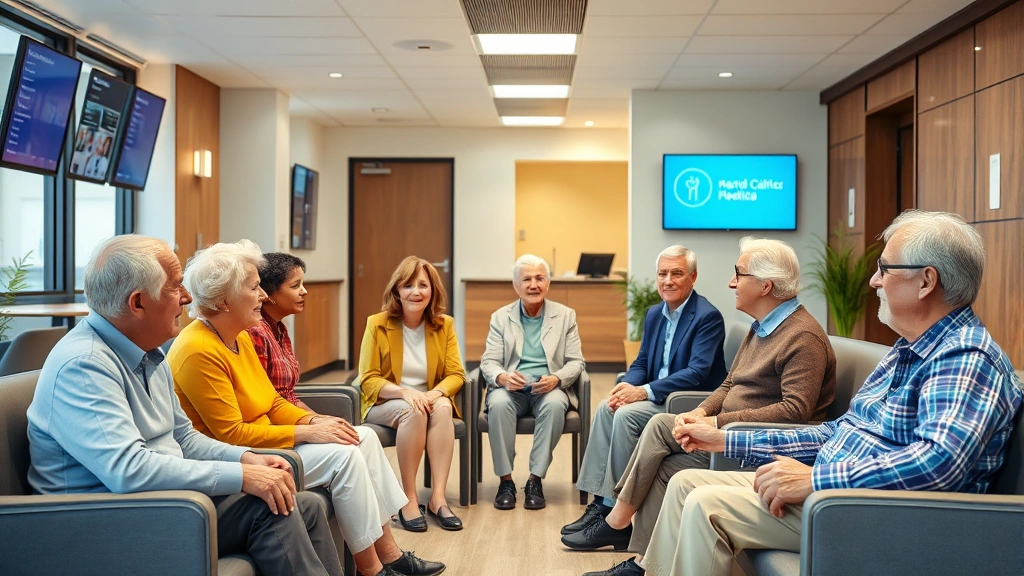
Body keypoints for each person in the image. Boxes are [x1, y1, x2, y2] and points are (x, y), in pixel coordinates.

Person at [644, 210, 1024, 576]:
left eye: (885, 269)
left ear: (926, 282)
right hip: (840, 493)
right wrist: (727, 440)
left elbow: (938, 464)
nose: (874, 281)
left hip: (875, 513)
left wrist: (815, 481)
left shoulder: (965, 358)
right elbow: (835, 431)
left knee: (704, 503)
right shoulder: (909, 349)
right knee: (685, 484)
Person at [26, 235, 343, 576]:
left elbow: (184, 438)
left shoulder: (149, 352)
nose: (188, 297)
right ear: (138, 303)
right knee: (271, 509)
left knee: (304, 504)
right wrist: (241, 477)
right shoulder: (85, 365)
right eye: (176, 287)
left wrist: (244, 458)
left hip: (162, 502)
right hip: (101, 521)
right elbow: (129, 471)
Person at [168, 241, 444, 576]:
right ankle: (372, 570)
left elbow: (271, 400)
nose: (262, 296)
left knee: (363, 437)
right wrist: (308, 431)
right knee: (344, 457)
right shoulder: (198, 349)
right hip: (242, 454)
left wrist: (314, 418)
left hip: (268, 438)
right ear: (224, 300)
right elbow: (231, 433)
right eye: (254, 288)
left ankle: (390, 553)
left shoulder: (237, 335)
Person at [564, 238, 837, 576]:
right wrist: (700, 412)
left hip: (756, 448)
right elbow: (727, 384)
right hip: (728, 435)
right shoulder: (761, 328)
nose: (731, 282)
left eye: (739, 273)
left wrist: (719, 424)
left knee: (658, 436)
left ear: (766, 285)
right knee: (663, 438)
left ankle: (619, 525)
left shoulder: (802, 337)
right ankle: (643, 559)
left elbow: (794, 412)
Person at [566, 246, 728, 533]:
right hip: (659, 396)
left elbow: (697, 373)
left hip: (686, 401)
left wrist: (645, 391)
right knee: (607, 408)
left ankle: (617, 516)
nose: (668, 280)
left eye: (676, 273)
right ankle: (601, 503)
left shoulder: (707, 317)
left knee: (627, 416)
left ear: (693, 277)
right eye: (662, 273)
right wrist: (627, 385)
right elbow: (642, 362)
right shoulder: (655, 314)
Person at [359, 256, 467, 531]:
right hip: (387, 401)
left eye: (423, 285)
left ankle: (438, 499)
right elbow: (368, 379)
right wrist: (404, 392)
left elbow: (456, 373)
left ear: (432, 291)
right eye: (408, 285)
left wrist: (435, 394)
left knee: (442, 407)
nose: (416, 292)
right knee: (413, 409)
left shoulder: (445, 325)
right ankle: (409, 498)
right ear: (397, 290)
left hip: (429, 399)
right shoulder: (377, 324)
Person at [480, 254, 586, 510]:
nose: (533, 285)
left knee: (554, 405)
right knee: (499, 403)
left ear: (548, 283)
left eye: (540, 278)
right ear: (516, 285)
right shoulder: (500, 317)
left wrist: (557, 378)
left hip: (548, 389)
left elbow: (576, 362)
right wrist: (503, 377)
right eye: (526, 279)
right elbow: (488, 362)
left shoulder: (565, 316)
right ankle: (505, 481)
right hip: (511, 390)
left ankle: (534, 480)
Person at [246, 252, 316, 413]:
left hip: (289, 413)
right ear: (268, 294)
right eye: (295, 286)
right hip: (275, 421)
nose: (304, 291)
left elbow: (288, 395)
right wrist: (314, 421)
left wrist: (317, 418)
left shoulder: (279, 328)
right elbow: (267, 401)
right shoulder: (256, 332)